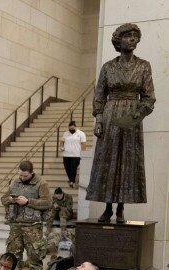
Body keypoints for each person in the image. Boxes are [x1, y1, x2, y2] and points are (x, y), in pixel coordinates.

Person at [86, 23, 155, 223]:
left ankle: (121, 209)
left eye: (135, 36)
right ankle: (108, 207)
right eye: (128, 36)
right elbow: (99, 95)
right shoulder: (108, 67)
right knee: (108, 161)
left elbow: (149, 96)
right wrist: (98, 119)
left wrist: (139, 113)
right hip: (110, 116)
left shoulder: (143, 65)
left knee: (127, 161)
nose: (132, 39)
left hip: (131, 119)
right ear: (119, 40)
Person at [0, 160, 51, 270]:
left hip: (32, 226)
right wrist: (11, 200)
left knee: (35, 259)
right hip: (15, 225)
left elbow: (47, 202)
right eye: (20, 175)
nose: (22, 178)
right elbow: (3, 199)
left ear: (32, 173)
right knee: (12, 258)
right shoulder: (14, 182)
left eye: (25, 176)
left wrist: (28, 202)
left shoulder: (41, 184)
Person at [59, 121, 86, 188]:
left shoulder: (81, 134)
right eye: (70, 128)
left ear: (75, 127)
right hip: (66, 154)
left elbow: (83, 144)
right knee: (67, 168)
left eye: (72, 128)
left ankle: (72, 181)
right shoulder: (66, 133)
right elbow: (62, 141)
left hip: (76, 155)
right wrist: (61, 147)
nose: (71, 129)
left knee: (73, 168)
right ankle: (71, 179)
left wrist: (83, 154)